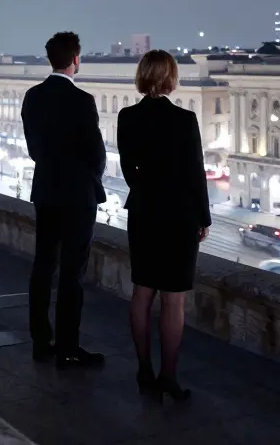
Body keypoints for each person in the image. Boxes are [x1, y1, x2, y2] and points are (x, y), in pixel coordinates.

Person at [117, 49, 211, 401]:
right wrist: (203, 218)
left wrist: (146, 189)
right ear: (172, 78)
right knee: (173, 300)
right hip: (179, 216)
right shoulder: (184, 121)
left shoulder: (127, 117)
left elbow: (129, 171)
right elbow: (195, 174)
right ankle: (168, 377)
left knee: (142, 292)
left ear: (142, 76)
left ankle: (143, 368)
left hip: (143, 212)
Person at [20, 31, 106, 368]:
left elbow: (33, 151)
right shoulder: (82, 100)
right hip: (78, 196)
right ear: (75, 60)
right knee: (72, 273)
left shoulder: (33, 96)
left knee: (43, 267)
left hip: (46, 191)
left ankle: (41, 343)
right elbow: (96, 154)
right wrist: (88, 180)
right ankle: (68, 347)